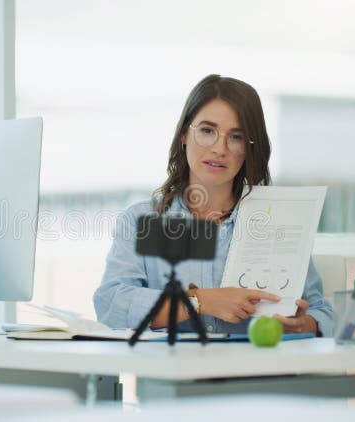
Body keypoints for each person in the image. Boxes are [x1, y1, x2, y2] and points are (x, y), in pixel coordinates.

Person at [93, 74, 334, 336]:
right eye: (208, 131)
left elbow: (320, 311)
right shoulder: (145, 219)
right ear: (185, 133)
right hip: (173, 373)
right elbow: (111, 307)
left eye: (236, 137)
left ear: (250, 147)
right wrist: (201, 301)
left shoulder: (276, 222)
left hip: (258, 372)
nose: (220, 148)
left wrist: (302, 324)